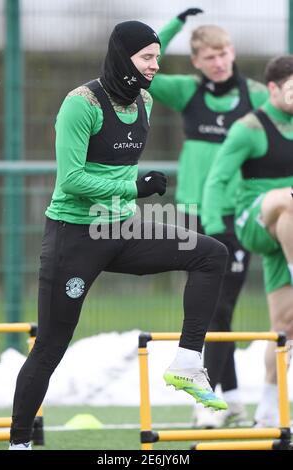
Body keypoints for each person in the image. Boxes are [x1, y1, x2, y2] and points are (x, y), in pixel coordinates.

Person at [9, 20, 229, 450]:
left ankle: (187, 361)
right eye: (147, 58)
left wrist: (129, 197)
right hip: (74, 235)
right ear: (122, 57)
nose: (154, 66)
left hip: (123, 229)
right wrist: (133, 187)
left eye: (158, 58)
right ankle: (19, 444)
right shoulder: (80, 104)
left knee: (210, 254)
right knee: (50, 347)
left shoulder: (144, 100)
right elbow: (70, 180)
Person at [149, 8, 268, 428]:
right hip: (194, 213)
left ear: (232, 53)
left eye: (223, 54)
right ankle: (222, 401)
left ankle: (218, 400)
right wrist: (174, 27)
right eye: (209, 57)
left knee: (220, 307)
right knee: (213, 307)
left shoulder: (257, 95)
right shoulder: (185, 91)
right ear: (196, 61)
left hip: (237, 211)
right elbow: (141, 67)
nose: (218, 62)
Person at [202, 55, 293, 427]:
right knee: (285, 198)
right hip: (252, 218)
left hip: (286, 232)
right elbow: (216, 179)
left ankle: (268, 412)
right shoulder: (249, 128)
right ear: (272, 89)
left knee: (284, 327)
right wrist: (211, 230)